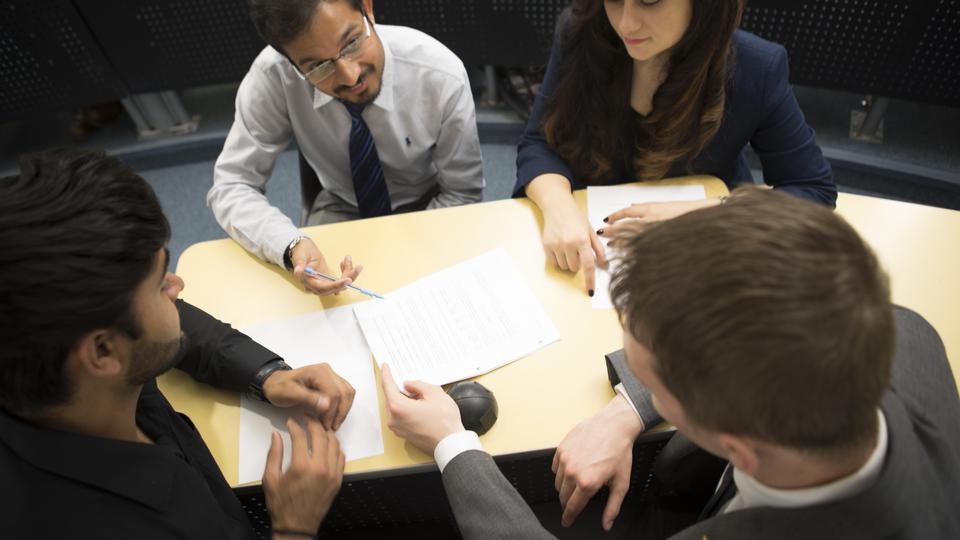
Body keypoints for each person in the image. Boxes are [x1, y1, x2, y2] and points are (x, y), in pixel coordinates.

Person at [381, 188, 960, 539]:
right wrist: (628, 409)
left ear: (736, 443)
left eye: (651, 382)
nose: (641, 386)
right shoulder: (902, 331)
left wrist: (452, 444)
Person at [0, 149, 355, 539]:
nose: (177, 286)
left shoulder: (63, 347)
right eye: (158, 284)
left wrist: (267, 376)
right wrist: (294, 528)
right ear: (103, 352)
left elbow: (170, 326)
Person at [517, 0, 837, 295]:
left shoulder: (756, 67)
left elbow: (812, 189)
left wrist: (703, 214)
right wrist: (559, 207)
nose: (627, 24)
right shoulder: (582, 31)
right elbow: (540, 142)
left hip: (704, 254)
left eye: (650, 0)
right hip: (592, 251)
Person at [209, 0, 485, 297]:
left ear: (367, 7)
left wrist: (404, 253)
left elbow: (463, 193)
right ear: (288, 59)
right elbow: (232, 185)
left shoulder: (438, 73)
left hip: (430, 204)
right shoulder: (273, 76)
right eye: (318, 66)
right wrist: (290, 245)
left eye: (352, 43)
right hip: (343, 204)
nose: (350, 76)